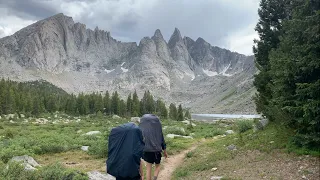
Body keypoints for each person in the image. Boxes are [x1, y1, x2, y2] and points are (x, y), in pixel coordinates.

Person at [139, 114, 168, 180]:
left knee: (148, 169)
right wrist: (165, 151)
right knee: (157, 166)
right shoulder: (158, 128)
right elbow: (162, 139)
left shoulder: (143, 128)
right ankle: (155, 178)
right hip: (157, 151)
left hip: (146, 150)